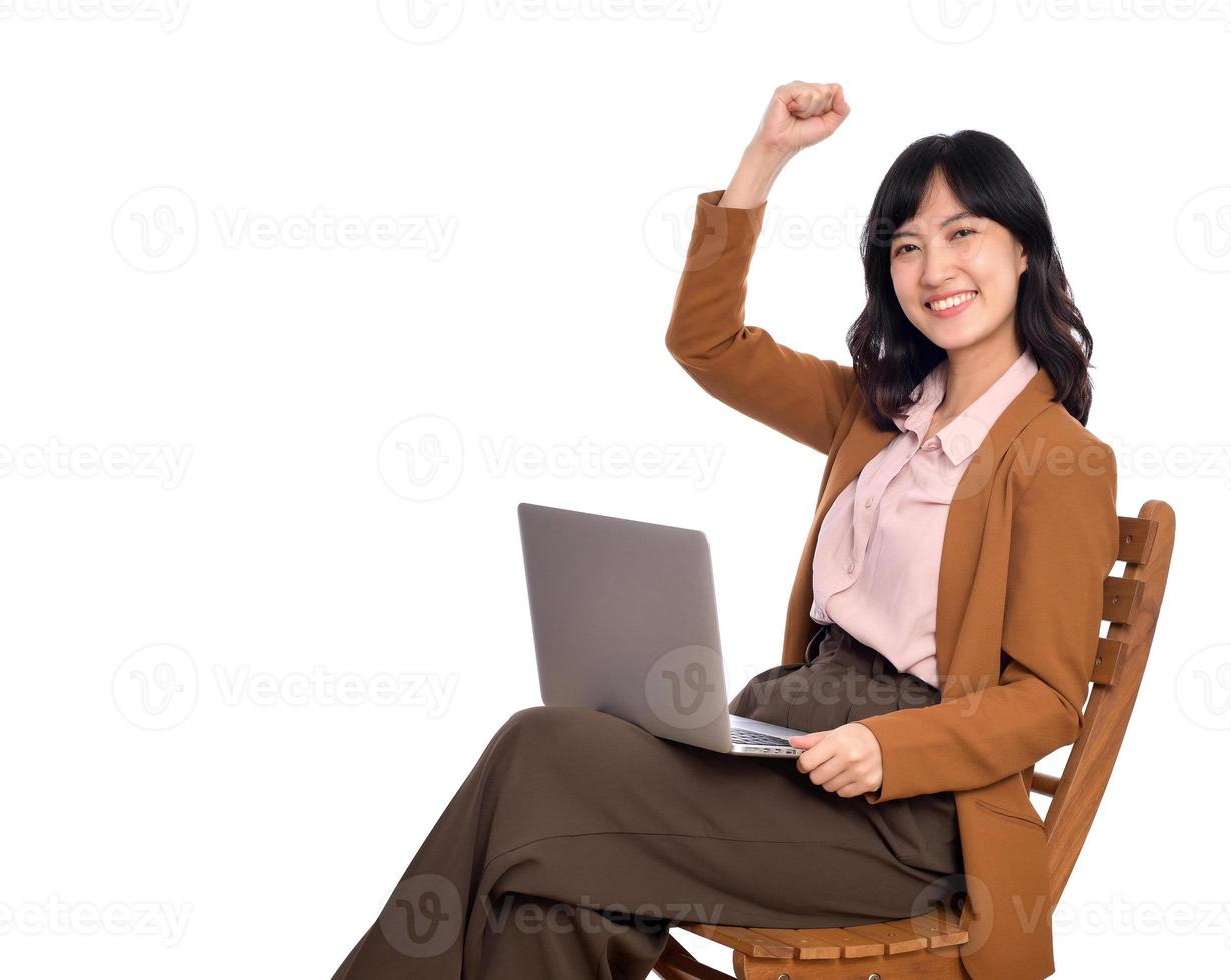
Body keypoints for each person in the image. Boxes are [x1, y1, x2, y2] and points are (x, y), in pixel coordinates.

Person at [329, 81, 1119, 980]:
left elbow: (1050, 700)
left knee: (541, 746)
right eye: (907, 245)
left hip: (907, 814)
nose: (934, 268)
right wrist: (765, 158)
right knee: (551, 898)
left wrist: (885, 748)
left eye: (963, 232)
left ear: (1025, 248)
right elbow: (707, 343)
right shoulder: (876, 413)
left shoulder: (1062, 461)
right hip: (785, 748)